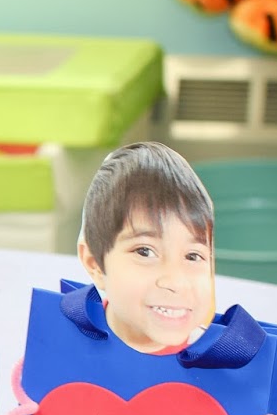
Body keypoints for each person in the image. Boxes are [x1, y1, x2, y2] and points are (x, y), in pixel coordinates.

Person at [77, 141, 217, 354]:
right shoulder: (64, 352)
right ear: (94, 263)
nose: (175, 282)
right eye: (145, 251)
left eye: (192, 256)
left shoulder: (220, 365)